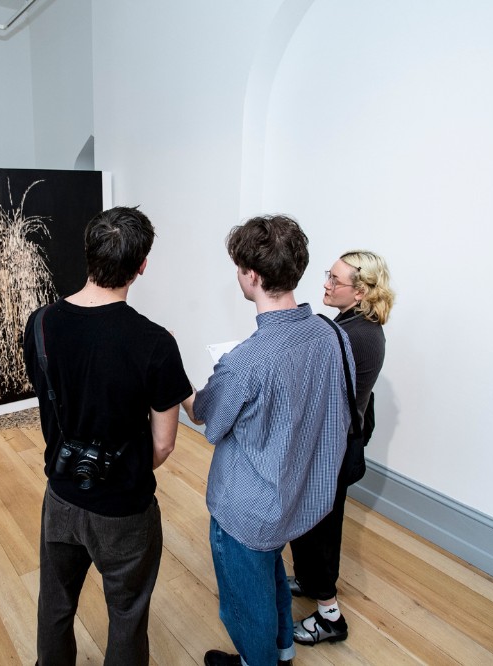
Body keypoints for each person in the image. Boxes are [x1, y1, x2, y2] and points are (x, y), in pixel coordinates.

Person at [22, 206, 192, 665]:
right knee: (127, 613)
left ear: (87, 253)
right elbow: (163, 444)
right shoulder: (155, 342)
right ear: (141, 265)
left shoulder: (39, 324)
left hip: (60, 496)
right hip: (124, 509)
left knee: (55, 605)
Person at [183, 214, 353, 666]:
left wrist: (186, 394)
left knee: (243, 605)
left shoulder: (246, 363)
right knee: (271, 572)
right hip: (300, 499)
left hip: (248, 508)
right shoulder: (333, 337)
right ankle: (283, 653)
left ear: (253, 276)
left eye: (239, 267)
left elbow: (208, 419)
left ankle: (259, 660)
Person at [288, 250, 395, 645]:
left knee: (319, 529)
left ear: (362, 292)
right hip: (335, 444)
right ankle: (304, 579)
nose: (326, 285)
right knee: (312, 522)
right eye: (328, 276)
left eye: (335, 280)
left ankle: (330, 616)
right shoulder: (358, 325)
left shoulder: (350, 335)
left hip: (330, 452)